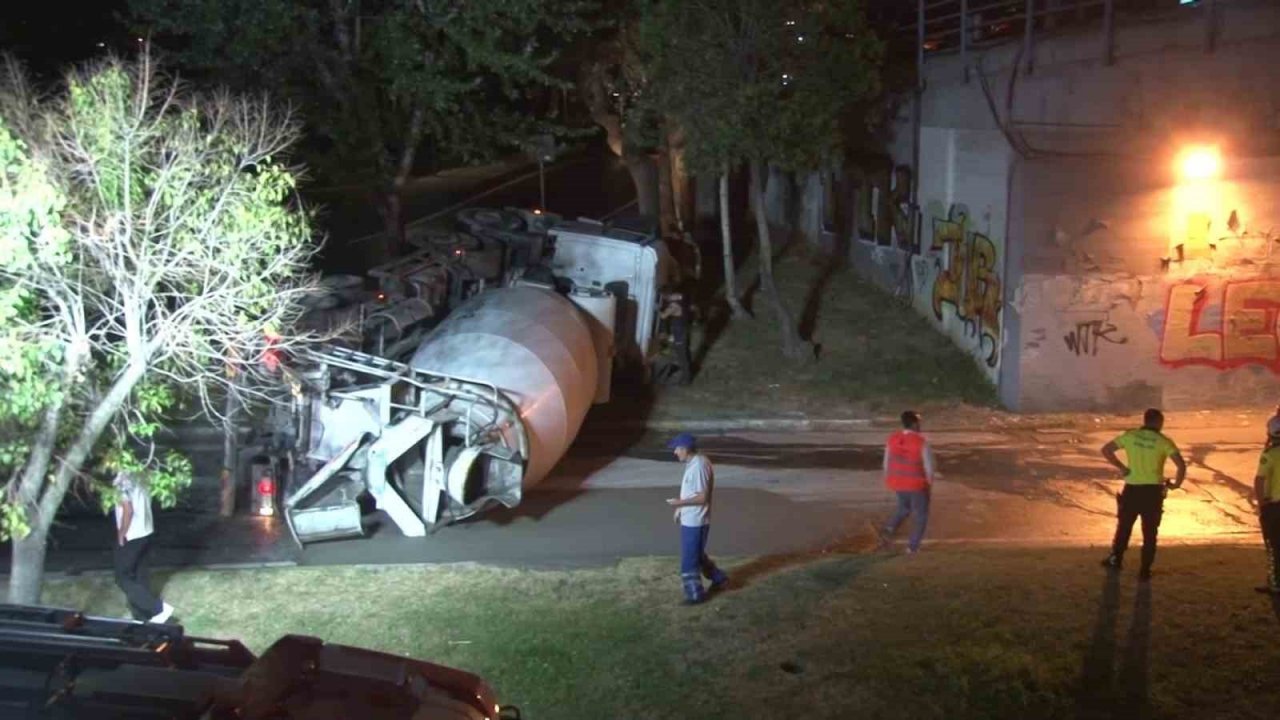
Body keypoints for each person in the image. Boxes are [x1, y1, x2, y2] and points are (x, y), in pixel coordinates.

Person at [1099, 408, 1187, 581]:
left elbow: (1106, 450)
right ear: (1159, 422)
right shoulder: (1163, 441)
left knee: (1124, 527)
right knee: (1150, 532)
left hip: (1132, 489)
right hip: (1153, 492)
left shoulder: (1130, 436)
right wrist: (1176, 484)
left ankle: (1116, 559)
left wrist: (1123, 468)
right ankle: (1145, 570)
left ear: (1145, 421)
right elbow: (1181, 466)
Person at [664, 433, 728, 605]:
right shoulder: (693, 463)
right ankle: (720, 579)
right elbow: (691, 491)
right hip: (690, 518)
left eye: (677, 449)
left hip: (696, 521)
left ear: (685, 449)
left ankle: (695, 595)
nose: (675, 452)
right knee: (697, 555)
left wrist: (680, 502)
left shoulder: (699, 466)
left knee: (689, 560)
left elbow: (701, 497)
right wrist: (680, 508)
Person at [113, 472, 174, 623]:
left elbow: (128, 509)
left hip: (132, 534)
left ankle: (158, 608)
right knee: (140, 574)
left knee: (122, 577)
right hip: (146, 530)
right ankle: (142, 616)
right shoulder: (142, 475)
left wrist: (122, 532)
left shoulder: (121, 481)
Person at [878, 411, 938, 554]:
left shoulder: (892, 439)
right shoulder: (921, 441)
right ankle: (912, 548)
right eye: (918, 422)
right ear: (914, 423)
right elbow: (929, 467)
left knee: (904, 508)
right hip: (916, 485)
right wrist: (929, 484)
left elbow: (886, 463)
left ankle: (889, 528)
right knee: (920, 516)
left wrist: (890, 479)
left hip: (897, 482)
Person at [1253, 425, 1280, 595]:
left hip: (1274, 506)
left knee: (1273, 546)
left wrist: (1261, 503)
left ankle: (1275, 582)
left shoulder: (1269, 455)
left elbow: (1259, 480)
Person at [658, 292, 692, 385]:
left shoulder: (674, 306)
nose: (671, 296)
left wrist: (656, 309)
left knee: (682, 358)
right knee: (682, 356)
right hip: (680, 334)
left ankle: (686, 379)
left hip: (679, 336)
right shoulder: (680, 305)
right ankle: (685, 376)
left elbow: (663, 315)